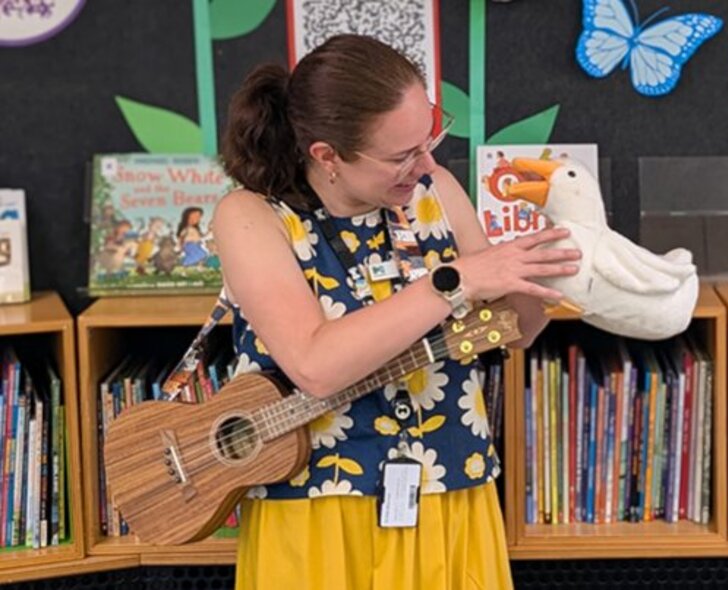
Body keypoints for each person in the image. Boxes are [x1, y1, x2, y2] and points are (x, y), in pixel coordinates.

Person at [214, 34, 581, 590]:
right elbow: (315, 364)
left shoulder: (438, 190)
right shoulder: (251, 216)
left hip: (448, 486)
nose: (426, 162)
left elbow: (519, 333)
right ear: (327, 156)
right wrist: (454, 282)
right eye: (401, 155)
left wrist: (539, 273)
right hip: (319, 503)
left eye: (429, 137)